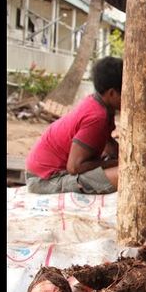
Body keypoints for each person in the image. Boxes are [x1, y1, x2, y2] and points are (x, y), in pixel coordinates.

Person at [25, 57, 123, 194]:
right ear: (112, 93)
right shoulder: (97, 117)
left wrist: (119, 154)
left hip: (43, 171)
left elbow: (107, 141)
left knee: (124, 167)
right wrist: (114, 163)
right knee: (124, 175)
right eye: (125, 92)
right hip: (44, 180)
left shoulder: (98, 103)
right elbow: (74, 167)